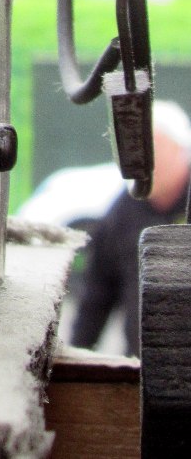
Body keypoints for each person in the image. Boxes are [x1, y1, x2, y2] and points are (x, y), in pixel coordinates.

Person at [71, 100, 191, 357]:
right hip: (143, 371)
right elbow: (97, 297)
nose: (145, 160)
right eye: (136, 150)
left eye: (154, 148)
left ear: (181, 149)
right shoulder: (121, 214)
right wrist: (71, 363)